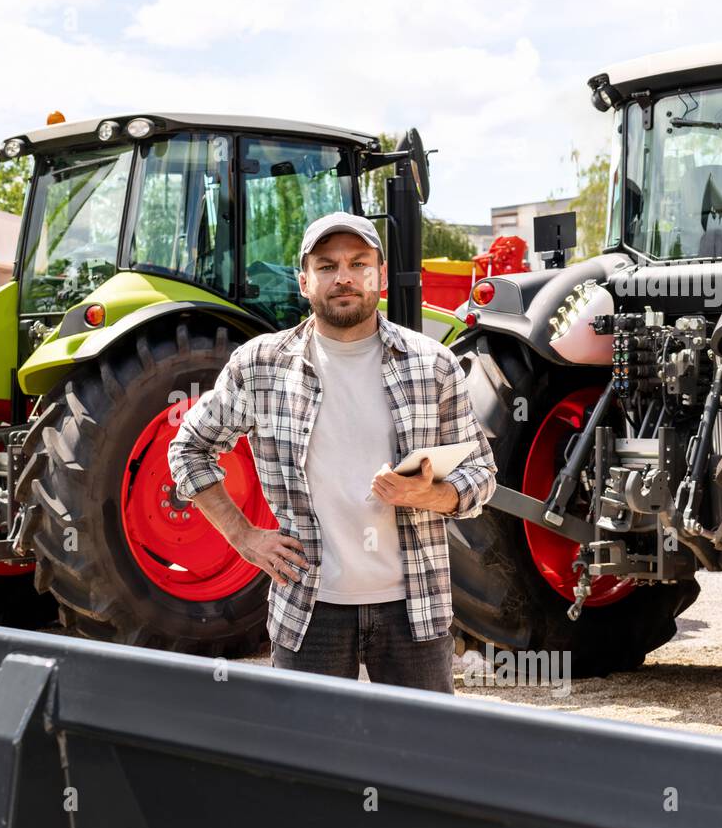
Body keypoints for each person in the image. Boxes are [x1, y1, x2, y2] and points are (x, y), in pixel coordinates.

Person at [166, 211, 496, 692]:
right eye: (326, 265)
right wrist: (244, 538)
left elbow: (482, 474)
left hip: (415, 612)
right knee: (307, 765)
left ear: (380, 276)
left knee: (419, 762)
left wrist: (431, 496)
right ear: (304, 282)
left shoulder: (433, 365)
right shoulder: (261, 366)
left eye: (358, 263)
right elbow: (188, 449)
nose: (343, 276)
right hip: (309, 613)